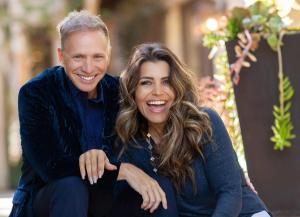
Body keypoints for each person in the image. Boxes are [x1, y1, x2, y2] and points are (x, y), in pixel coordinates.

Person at [9, 11, 167, 217]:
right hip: (49, 200)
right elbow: (50, 166)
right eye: (78, 57)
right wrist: (124, 170)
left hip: (102, 200)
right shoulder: (36, 92)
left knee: (155, 187)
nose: (89, 67)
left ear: (108, 54)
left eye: (97, 56)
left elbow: (140, 140)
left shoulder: (119, 91)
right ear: (61, 56)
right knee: (72, 187)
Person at [115, 42, 273, 217]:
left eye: (166, 82)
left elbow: (230, 193)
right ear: (133, 91)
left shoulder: (203, 122)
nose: (157, 92)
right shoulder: (133, 142)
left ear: (177, 87)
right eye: (146, 83)